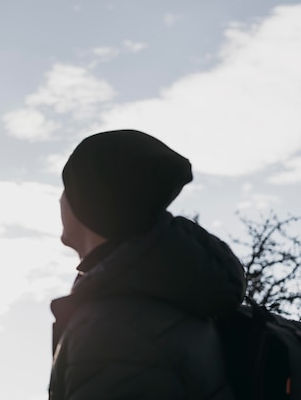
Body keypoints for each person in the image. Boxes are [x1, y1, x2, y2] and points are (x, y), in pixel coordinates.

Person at [49, 130, 246, 400]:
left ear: (91, 202)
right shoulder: (168, 300)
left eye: (67, 188)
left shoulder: (114, 332)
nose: (60, 200)